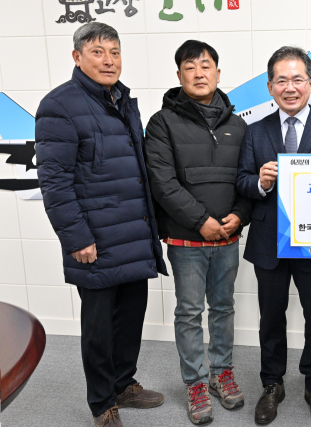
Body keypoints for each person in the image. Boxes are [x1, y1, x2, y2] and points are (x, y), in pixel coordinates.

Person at [35, 22, 167, 427]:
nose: (109, 60)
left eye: (114, 52)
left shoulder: (124, 100)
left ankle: (124, 384)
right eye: (98, 52)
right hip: (95, 240)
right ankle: (101, 403)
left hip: (133, 231)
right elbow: (54, 182)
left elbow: (136, 170)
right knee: (99, 327)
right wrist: (77, 238)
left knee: (131, 316)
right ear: (77, 57)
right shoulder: (59, 105)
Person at [236, 46, 311, 426]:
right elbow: (241, 183)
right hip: (268, 242)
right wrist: (260, 183)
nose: (290, 87)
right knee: (271, 318)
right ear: (270, 87)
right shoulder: (254, 133)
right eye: (281, 80)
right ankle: (272, 385)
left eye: (297, 79)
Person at [144, 40, 251, 424]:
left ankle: (222, 374)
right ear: (179, 76)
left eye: (206, 66)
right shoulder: (161, 123)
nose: (199, 73)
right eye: (190, 67)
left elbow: (246, 180)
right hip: (186, 240)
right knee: (189, 313)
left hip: (228, 238)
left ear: (219, 73)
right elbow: (162, 182)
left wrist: (239, 215)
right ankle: (195, 382)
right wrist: (201, 221)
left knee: (223, 308)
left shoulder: (239, 126)